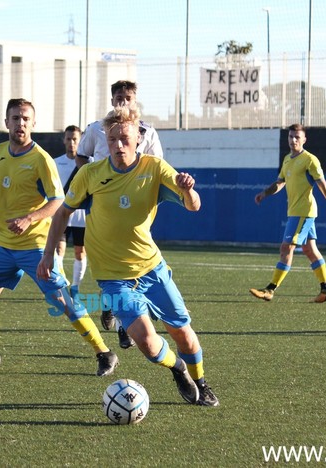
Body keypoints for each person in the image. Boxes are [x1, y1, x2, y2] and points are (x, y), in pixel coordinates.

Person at [37, 106, 219, 407]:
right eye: (112, 140)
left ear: (138, 138)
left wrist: (188, 190)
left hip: (152, 270)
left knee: (183, 335)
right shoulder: (90, 174)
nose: (118, 145)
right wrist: (48, 256)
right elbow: (62, 214)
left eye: (124, 138)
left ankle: (201, 382)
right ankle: (178, 368)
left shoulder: (155, 168)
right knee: (147, 343)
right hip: (114, 279)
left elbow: (194, 205)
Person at [0, 98, 118, 377]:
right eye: (15, 118)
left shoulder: (41, 159)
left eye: (25, 119)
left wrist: (29, 218)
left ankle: (104, 352)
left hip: (35, 246)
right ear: (6, 122)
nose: (20, 123)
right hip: (1, 243)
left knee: (63, 302)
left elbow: (58, 201)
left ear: (33, 123)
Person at [77, 79, 163, 350]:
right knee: (110, 263)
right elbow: (81, 155)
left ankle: (120, 314)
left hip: (134, 207)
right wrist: (92, 182)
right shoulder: (95, 128)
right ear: (112, 99)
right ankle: (118, 311)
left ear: (135, 101)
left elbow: (158, 165)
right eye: (119, 97)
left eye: (128, 98)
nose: (123, 102)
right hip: (104, 205)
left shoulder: (147, 131)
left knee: (132, 265)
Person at [249, 123, 326, 303]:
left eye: (297, 137)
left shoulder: (310, 160)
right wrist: (265, 193)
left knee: (286, 247)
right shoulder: (287, 159)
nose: (293, 140)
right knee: (310, 250)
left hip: (304, 211)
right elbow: (280, 182)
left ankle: (270, 289)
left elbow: (323, 185)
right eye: (290, 136)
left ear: (304, 140)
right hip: (295, 211)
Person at [53, 125, 87, 301]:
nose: (72, 142)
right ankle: (63, 281)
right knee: (58, 249)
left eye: (75, 139)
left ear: (80, 140)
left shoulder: (89, 163)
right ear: (63, 140)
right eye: (68, 138)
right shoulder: (56, 162)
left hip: (81, 217)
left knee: (80, 253)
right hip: (62, 214)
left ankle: (75, 286)